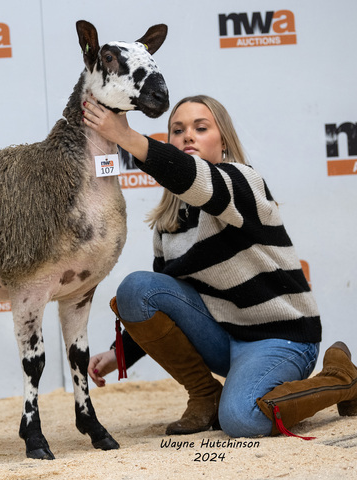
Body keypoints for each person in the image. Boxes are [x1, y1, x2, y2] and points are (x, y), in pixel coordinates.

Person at [83, 94, 357, 438]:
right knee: (138, 288)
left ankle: (343, 379)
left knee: (242, 420)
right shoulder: (168, 223)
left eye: (201, 127)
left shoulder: (241, 181)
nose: (188, 136)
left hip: (282, 339)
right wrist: (116, 354)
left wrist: (127, 137)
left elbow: (198, 181)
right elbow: (165, 304)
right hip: (224, 338)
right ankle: (204, 395)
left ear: (223, 140)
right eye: (177, 130)